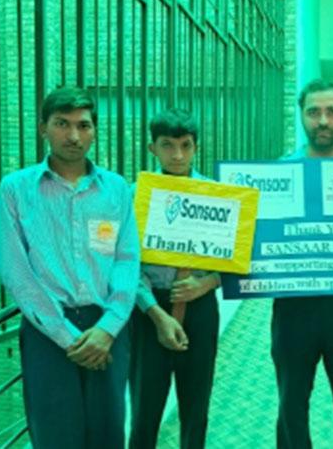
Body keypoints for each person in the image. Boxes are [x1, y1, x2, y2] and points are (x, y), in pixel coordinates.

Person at [0, 86, 140, 448]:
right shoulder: (16, 190)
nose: (74, 135)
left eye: (83, 125)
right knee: (56, 436)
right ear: (43, 127)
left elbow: (126, 260)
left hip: (108, 330)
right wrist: (68, 337)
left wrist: (108, 328)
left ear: (94, 131)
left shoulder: (116, 189)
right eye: (62, 124)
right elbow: (16, 273)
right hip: (47, 332)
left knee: (108, 434)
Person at [272, 79, 333, 449]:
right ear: (301, 115)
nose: (323, 120)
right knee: (291, 403)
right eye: (314, 112)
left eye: (332, 111)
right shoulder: (277, 174)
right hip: (292, 307)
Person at [128, 108, 222, 448]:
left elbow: (237, 261)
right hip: (149, 309)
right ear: (152, 148)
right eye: (167, 145)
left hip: (200, 305)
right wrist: (154, 312)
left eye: (186, 145)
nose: (178, 155)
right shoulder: (135, 196)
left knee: (196, 407)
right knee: (144, 408)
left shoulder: (218, 196)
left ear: (197, 147)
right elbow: (125, 264)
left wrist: (206, 284)